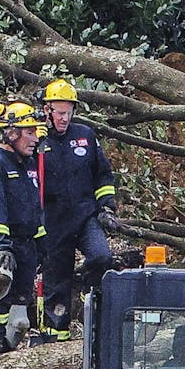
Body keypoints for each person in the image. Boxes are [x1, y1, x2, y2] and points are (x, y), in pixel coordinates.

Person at [35, 78, 118, 343]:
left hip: (85, 216)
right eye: (59, 113)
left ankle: (88, 294)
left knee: (102, 257)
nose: (64, 118)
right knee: (56, 280)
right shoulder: (37, 141)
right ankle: (56, 336)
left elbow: (103, 175)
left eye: (68, 112)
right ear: (47, 110)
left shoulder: (85, 136)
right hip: (53, 221)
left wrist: (106, 207)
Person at [0, 101, 47, 360]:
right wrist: (1, 246)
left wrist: (42, 244)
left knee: (21, 319)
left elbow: (33, 207)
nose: (35, 138)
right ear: (11, 134)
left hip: (26, 241)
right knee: (0, 274)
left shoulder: (28, 163)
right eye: (30, 133)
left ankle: (8, 346)